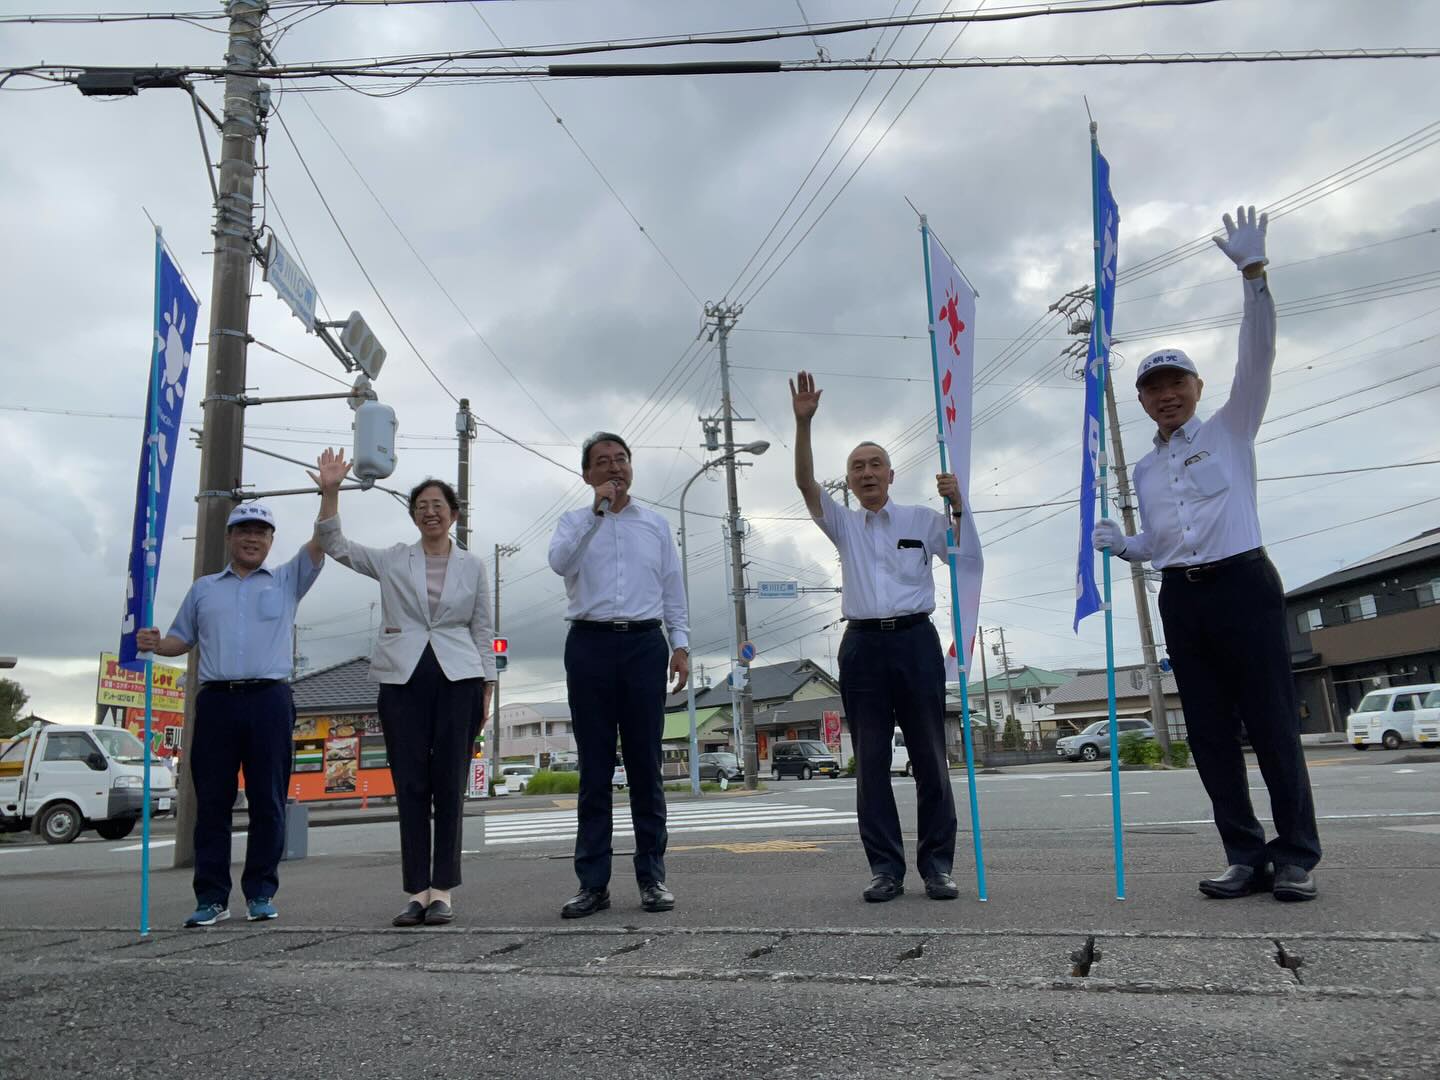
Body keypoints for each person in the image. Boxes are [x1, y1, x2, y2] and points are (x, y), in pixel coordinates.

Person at [1093, 206, 1321, 902]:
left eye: (1175, 384)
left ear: (1196, 389)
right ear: (1141, 400)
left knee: (1272, 725)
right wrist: (1123, 546)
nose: (1165, 396)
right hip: (1183, 598)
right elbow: (1160, 544)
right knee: (1212, 737)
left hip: (1245, 587)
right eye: (1152, 388)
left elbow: (1260, 354)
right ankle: (1244, 855)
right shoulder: (1145, 472)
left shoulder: (1231, 427)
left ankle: (1296, 857)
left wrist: (1254, 276)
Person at [791, 371, 966, 903]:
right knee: (870, 763)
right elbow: (803, 484)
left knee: (930, 756)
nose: (867, 473)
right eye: (857, 467)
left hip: (916, 642)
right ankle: (885, 870)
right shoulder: (843, 524)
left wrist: (958, 502)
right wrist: (803, 425)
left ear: (891, 474)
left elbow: (963, 551)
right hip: (863, 647)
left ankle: (937, 866)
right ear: (849, 479)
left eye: (874, 465)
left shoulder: (921, 519)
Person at [310, 448, 496, 926]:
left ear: (453, 514)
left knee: (449, 784)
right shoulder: (394, 559)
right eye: (421, 506)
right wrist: (330, 493)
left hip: (459, 680)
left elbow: (482, 628)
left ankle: (444, 893)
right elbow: (336, 546)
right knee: (410, 783)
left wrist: (488, 687)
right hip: (401, 680)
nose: (429, 512)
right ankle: (417, 891)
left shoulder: (473, 566)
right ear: (413, 515)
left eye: (438, 505)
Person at [137, 503, 323, 927]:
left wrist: (329, 493)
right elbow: (178, 641)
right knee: (213, 803)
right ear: (228, 537)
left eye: (261, 531)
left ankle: (260, 893)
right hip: (217, 701)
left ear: (271, 540)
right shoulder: (203, 589)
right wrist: (152, 642)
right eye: (243, 530)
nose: (252, 538)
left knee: (268, 802)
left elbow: (321, 542)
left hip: (270, 699)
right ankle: (211, 898)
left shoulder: (286, 579)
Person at [547, 432, 689, 919]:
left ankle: (652, 878)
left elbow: (673, 587)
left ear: (632, 467)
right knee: (595, 768)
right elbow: (558, 563)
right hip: (588, 644)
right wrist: (596, 513)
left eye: (621, 460)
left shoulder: (655, 525)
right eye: (603, 462)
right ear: (587, 475)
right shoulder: (572, 522)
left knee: (646, 765)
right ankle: (593, 884)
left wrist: (682, 644)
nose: (614, 468)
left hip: (645, 645)